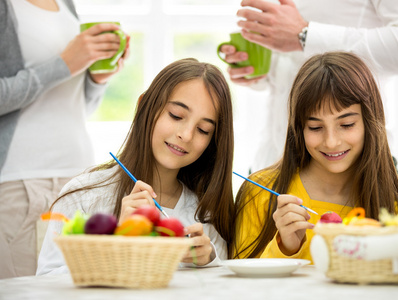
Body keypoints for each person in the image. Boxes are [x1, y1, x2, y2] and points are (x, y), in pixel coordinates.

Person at [36, 58, 235, 275]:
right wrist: (116, 245)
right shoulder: (85, 195)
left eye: (203, 130)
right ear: (143, 106)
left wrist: (208, 261)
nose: (186, 135)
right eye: (176, 116)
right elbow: (46, 283)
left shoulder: (205, 213)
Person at [220, 0, 398, 171]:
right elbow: (291, 62)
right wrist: (260, 72)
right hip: (271, 166)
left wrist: (305, 34)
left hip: (352, 178)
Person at [231, 52, 398, 261]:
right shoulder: (259, 193)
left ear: (369, 122)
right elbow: (241, 287)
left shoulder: (386, 203)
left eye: (347, 125)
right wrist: (285, 248)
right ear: (299, 128)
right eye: (315, 127)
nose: (331, 142)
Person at [0, 0, 130, 278]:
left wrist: (97, 79)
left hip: (78, 179)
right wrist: (64, 64)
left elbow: (74, 106)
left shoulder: (64, 3)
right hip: (20, 182)